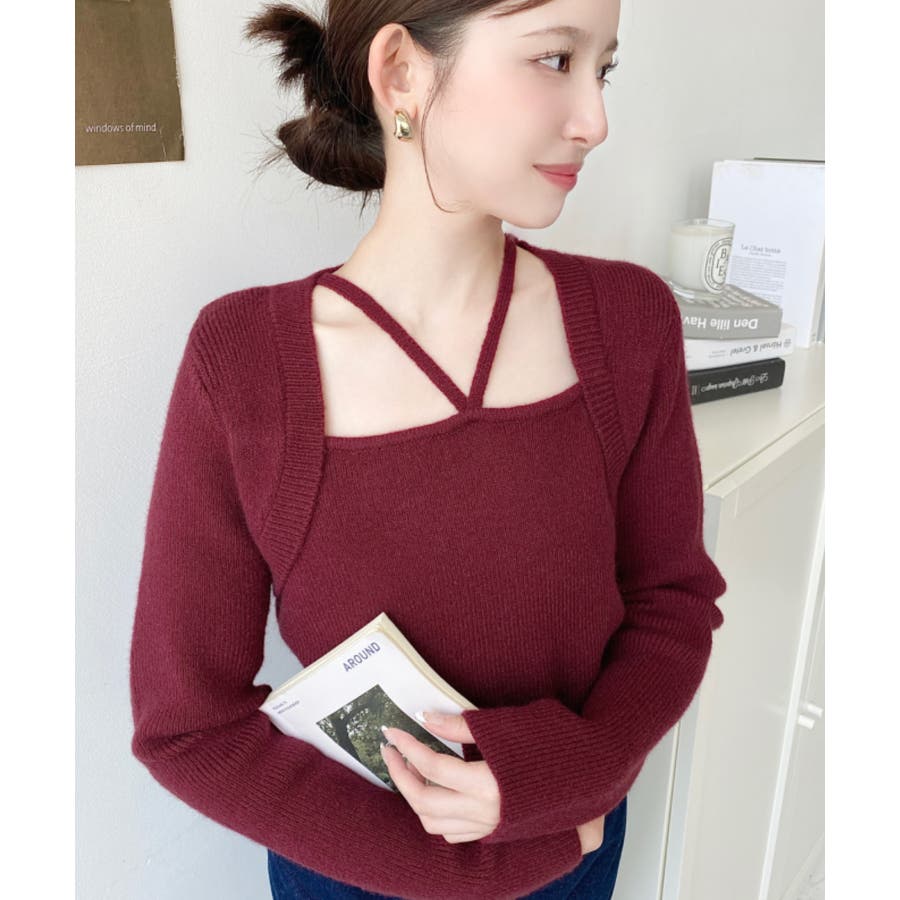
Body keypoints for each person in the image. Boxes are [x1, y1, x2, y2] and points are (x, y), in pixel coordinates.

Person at [128, 0, 728, 897]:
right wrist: (500, 858)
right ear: (402, 71)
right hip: (363, 869)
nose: (595, 121)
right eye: (555, 60)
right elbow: (189, 724)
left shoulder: (628, 321)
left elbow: (672, 601)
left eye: (604, 69)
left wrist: (577, 776)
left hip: (578, 840)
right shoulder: (244, 362)